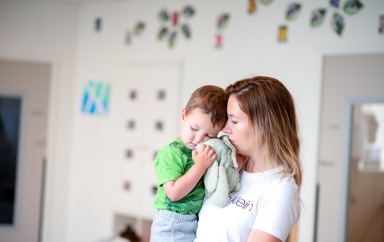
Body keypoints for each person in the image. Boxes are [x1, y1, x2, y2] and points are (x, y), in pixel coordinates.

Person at [195, 76, 302, 242]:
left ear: (264, 126)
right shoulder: (229, 166)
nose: (224, 128)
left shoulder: (280, 190)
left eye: (234, 121)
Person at [151, 85, 228, 242]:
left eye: (209, 135)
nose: (198, 139)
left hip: (192, 221)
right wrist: (199, 167)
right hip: (171, 223)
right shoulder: (171, 152)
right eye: (194, 128)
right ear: (183, 115)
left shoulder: (205, 150)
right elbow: (173, 193)